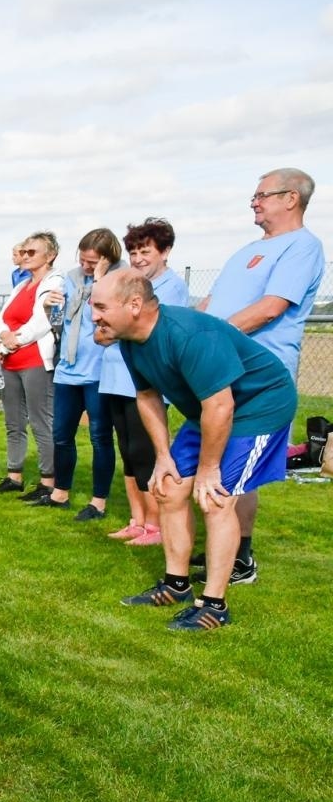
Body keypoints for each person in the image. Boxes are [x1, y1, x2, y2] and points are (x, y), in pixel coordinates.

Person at [95, 269, 296, 631]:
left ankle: (215, 604)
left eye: (100, 306)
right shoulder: (131, 340)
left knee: (215, 497)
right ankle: (176, 585)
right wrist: (163, 457)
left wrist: (208, 469)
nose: (95, 316)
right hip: (211, 409)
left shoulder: (189, 334)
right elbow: (147, 395)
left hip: (258, 406)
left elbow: (222, 407)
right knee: (169, 486)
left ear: (134, 305)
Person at [197, 167, 323, 585]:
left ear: (292, 198)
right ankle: (222, 547)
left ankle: (240, 559)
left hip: (258, 374)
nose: (254, 201)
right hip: (222, 369)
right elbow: (213, 302)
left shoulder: (303, 247)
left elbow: (272, 307)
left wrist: (214, 338)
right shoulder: (248, 250)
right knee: (212, 461)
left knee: (238, 470)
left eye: (262, 195)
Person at [105, 219, 190, 545]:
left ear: (165, 251)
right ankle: (137, 519)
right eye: (134, 252)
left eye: (146, 251)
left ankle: (156, 525)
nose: (139, 258)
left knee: (146, 453)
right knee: (128, 452)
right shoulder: (130, 283)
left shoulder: (171, 287)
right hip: (115, 377)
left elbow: (149, 327)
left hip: (146, 382)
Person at [33, 229, 123, 519]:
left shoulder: (121, 279)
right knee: (61, 435)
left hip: (99, 371)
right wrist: (49, 308)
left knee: (99, 436)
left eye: (92, 261)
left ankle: (98, 501)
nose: (85, 266)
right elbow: (61, 323)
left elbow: (110, 316)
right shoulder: (72, 279)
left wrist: (99, 280)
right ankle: (60, 492)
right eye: (82, 260)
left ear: (107, 259)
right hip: (68, 369)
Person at [0, 233, 63, 500]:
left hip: (35, 361)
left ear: (50, 255)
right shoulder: (22, 285)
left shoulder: (55, 282)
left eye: (32, 252)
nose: (26, 256)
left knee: (41, 421)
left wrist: (8, 343)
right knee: (13, 421)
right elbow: (2, 318)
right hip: (12, 362)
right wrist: (4, 335)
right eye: (25, 252)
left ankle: (48, 480)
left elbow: (41, 323)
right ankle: (14, 475)